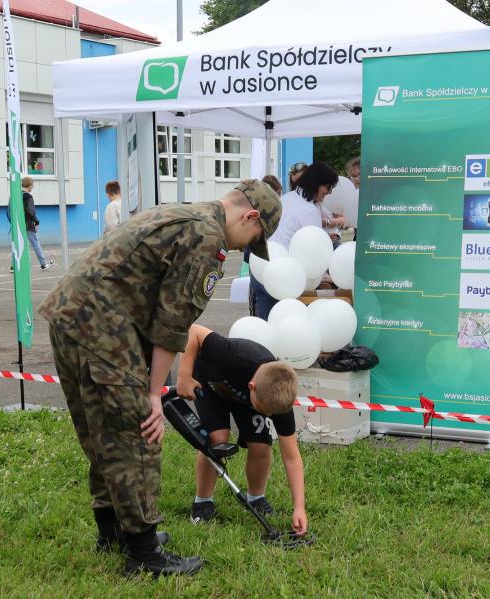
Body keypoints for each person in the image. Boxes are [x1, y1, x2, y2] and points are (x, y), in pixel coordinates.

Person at [38, 179, 282, 577]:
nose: (243, 249)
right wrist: (154, 395)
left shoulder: (183, 212)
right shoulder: (208, 236)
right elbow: (173, 324)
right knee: (140, 432)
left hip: (71, 317)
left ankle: (114, 533)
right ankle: (144, 553)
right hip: (103, 327)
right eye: (252, 239)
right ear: (249, 216)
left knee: (103, 432)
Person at [177, 324, 307, 535]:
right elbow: (194, 331)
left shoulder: (279, 401)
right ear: (252, 387)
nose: (268, 416)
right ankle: (203, 501)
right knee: (216, 440)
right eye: (263, 410)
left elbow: (292, 457)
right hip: (209, 384)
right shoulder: (233, 355)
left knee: (261, 446)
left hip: (246, 397)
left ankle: (256, 498)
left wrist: (299, 507)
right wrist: (183, 376)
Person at [251, 162, 339, 319]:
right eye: (328, 187)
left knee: (265, 325)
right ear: (317, 183)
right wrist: (325, 275)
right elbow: (314, 251)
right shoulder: (310, 211)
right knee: (287, 324)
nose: (330, 192)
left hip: (260, 270)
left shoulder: (286, 198)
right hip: (284, 276)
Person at [13, 177, 53, 270]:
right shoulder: (28, 196)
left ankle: (13, 266)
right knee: (35, 243)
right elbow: (31, 211)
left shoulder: (16, 195)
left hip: (17, 223)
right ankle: (43, 264)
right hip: (28, 224)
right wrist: (36, 222)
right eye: (33, 186)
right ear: (30, 186)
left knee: (17, 244)